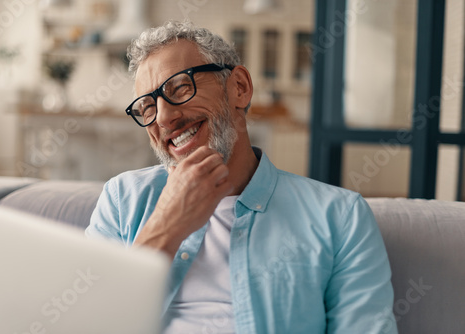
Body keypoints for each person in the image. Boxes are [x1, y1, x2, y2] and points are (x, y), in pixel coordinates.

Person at [86, 20, 397, 334]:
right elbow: (89, 323)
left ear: (239, 87)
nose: (165, 117)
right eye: (148, 107)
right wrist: (167, 226)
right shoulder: (121, 200)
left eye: (180, 88)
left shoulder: (340, 216)